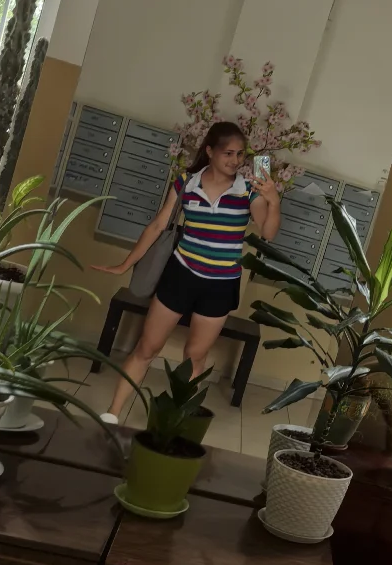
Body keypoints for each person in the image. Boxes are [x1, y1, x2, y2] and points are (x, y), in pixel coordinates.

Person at [92, 121, 281, 421]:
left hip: (220, 285)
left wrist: (273, 200)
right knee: (146, 348)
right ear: (210, 151)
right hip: (181, 275)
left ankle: (175, 422)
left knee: (194, 357)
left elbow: (267, 233)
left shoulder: (248, 190)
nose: (235, 160)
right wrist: (125, 264)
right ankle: (113, 413)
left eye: (240, 154)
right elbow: (158, 225)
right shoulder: (186, 182)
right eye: (228, 153)